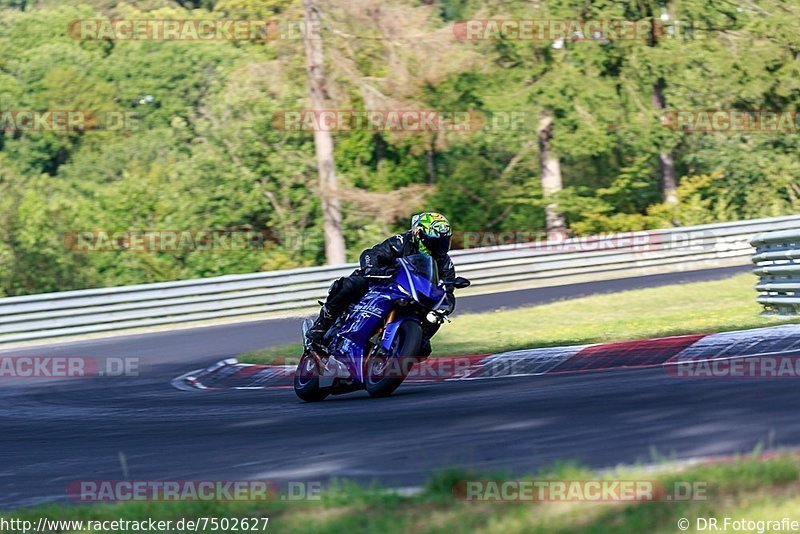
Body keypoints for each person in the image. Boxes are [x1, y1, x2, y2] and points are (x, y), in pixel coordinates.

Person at [306, 212, 457, 358]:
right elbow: (371, 254)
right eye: (434, 242)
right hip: (382, 281)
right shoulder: (401, 241)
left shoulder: (445, 262)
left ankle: (409, 341)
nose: (440, 247)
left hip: (415, 295)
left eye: (444, 242)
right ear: (418, 234)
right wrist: (372, 268)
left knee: (430, 329)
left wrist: (446, 304)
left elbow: (448, 291)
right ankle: (320, 326)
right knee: (348, 285)